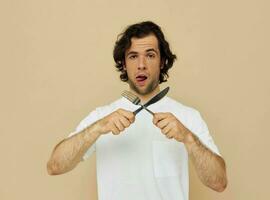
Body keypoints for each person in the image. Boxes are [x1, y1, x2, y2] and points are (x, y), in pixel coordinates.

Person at [47, 21, 227, 200]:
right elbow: (55, 166)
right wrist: (98, 127)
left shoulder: (188, 116)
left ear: (162, 61)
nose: (141, 65)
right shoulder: (102, 116)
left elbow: (219, 182)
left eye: (150, 55)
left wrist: (188, 138)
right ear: (124, 64)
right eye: (133, 56)